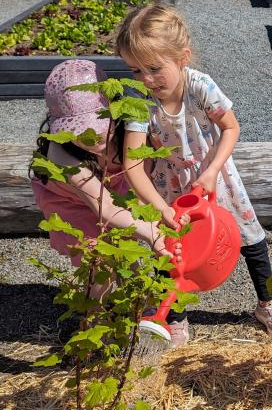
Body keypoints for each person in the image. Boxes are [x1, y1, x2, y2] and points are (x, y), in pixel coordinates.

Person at [116, 2, 272, 346]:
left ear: (182, 57)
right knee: (171, 250)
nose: (145, 79)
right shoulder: (139, 102)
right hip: (168, 187)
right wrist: (161, 209)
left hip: (215, 178)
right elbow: (132, 163)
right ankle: (174, 318)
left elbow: (231, 129)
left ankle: (268, 304)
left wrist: (211, 171)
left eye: (154, 68)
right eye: (135, 71)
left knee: (251, 239)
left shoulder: (200, 86)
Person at [31, 60, 187, 305]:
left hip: (117, 189)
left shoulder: (129, 129)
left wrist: (148, 221)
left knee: (125, 245)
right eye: (78, 132)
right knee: (98, 260)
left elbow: (139, 179)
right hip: (74, 202)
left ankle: (134, 304)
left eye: (98, 126)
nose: (90, 138)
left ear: (113, 109)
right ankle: (96, 317)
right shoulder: (60, 154)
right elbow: (105, 209)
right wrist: (149, 232)